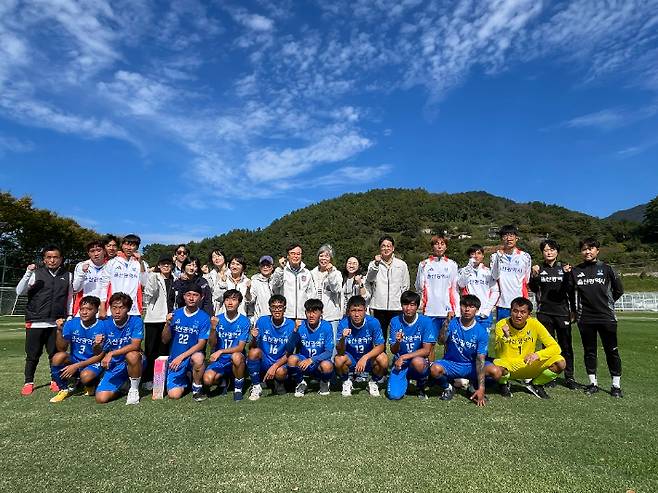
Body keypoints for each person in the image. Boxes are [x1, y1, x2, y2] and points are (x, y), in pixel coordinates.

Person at [16, 244, 73, 396]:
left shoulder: (68, 275)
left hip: (56, 321)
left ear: (61, 259)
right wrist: (28, 272)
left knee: (54, 353)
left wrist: (69, 316)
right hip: (35, 321)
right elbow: (19, 291)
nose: (52, 260)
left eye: (55, 257)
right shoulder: (36, 273)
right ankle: (28, 382)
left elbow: (69, 298)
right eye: (49, 257)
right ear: (44, 259)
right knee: (32, 355)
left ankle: (55, 380)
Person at [570, 237, 624, 397]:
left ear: (597, 251)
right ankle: (592, 383)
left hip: (606, 317)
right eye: (584, 249)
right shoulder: (576, 271)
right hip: (585, 318)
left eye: (591, 248)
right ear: (581, 252)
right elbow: (570, 293)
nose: (587, 251)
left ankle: (616, 386)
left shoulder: (607, 269)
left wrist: (608, 304)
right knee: (590, 351)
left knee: (612, 351)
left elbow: (619, 290)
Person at [488, 297, 566, 399]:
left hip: (528, 364)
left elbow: (556, 348)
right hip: (508, 366)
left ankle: (536, 384)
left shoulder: (535, 324)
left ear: (529, 315)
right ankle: (503, 384)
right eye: (515, 311)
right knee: (497, 365)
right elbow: (499, 351)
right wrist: (506, 337)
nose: (518, 315)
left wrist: (537, 355)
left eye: (523, 312)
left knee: (560, 362)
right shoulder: (502, 324)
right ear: (510, 312)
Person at [429, 295, 496, 406]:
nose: (467, 309)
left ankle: (473, 387)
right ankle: (448, 387)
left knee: (496, 372)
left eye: (471, 306)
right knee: (434, 369)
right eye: (464, 306)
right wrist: (446, 323)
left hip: (471, 366)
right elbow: (441, 341)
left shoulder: (481, 331)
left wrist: (481, 387)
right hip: (452, 363)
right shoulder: (452, 323)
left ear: (477, 310)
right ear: (460, 307)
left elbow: (480, 359)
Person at [528, 239, 577, 389]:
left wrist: (573, 310)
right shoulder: (539, 268)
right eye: (546, 250)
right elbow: (534, 288)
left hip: (562, 312)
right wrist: (534, 275)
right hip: (544, 313)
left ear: (557, 252)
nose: (549, 252)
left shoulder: (565, 268)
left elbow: (570, 289)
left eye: (552, 249)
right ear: (542, 253)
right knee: (547, 347)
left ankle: (569, 377)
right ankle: (549, 375)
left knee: (566, 345)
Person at [49, 296, 106, 403]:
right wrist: (59, 331)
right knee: (57, 357)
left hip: (92, 362)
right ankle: (63, 389)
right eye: (82, 309)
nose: (84, 312)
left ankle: (91, 383)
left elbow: (99, 356)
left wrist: (76, 366)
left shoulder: (103, 326)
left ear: (96, 310)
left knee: (86, 376)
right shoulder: (72, 323)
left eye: (89, 309)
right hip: (75, 359)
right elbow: (62, 348)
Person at [161, 284, 210, 401]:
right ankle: (188, 379)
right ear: (184, 297)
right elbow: (164, 340)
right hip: (175, 359)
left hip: (191, 357)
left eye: (195, 295)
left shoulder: (204, 317)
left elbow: (201, 344)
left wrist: (182, 357)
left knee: (198, 358)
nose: (191, 298)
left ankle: (197, 387)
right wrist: (167, 325)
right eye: (188, 295)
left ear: (201, 297)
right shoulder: (175, 314)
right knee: (174, 395)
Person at [95, 292, 144, 405]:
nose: (117, 312)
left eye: (121, 308)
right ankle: (123, 386)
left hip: (135, 361)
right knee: (101, 398)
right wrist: (97, 345)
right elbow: (97, 352)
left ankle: (134, 389)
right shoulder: (104, 324)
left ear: (128, 309)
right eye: (114, 308)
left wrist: (111, 353)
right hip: (114, 365)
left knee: (132, 355)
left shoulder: (136, 321)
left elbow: (135, 345)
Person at [335, 295, 388, 397]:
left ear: (365, 310)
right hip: (351, 359)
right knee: (338, 360)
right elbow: (340, 352)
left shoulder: (373, 322)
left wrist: (365, 357)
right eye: (353, 310)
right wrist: (342, 338)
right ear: (348, 311)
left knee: (383, 359)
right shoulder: (343, 323)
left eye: (360, 310)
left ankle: (373, 382)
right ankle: (346, 381)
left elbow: (381, 346)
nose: (356, 314)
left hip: (367, 359)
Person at [387, 291, 436, 401]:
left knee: (418, 362)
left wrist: (404, 356)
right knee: (394, 396)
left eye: (412, 305)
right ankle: (405, 379)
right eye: (405, 304)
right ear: (401, 305)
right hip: (401, 363)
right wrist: (398, 342)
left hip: (416, 361)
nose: (408, 308)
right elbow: (393, 350)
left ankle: (421, 384)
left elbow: (427, 350)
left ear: (417, 306)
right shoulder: (395, 321)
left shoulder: (426, 321)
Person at [246, 294, 296, 400]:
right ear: (270, 309)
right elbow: (252, 347)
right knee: (253, 352)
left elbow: (290, 353)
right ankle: (256, 385)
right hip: (265, 360)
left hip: (281, 361)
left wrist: (275, 366)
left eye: (280, 307)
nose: (277, 310)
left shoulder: (291, 325)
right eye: (274, 307)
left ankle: (277, 382)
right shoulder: (262, 321)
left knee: (280, 372)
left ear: (284, 308)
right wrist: (254, 338)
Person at [204, 289, 250, 401]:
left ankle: (238, 388)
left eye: (234, 300)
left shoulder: (244, 321)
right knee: (207, 380)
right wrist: (213, 328)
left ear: (239, 303)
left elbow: (240, 347)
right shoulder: (217, 319)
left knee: (237, 356)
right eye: (227, 299)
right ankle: (223, 380)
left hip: (235, 359)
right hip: (220, 360)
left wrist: (220, 351)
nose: (230, 302)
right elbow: (211, 344)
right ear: (224, 302)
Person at [287, 298, 335, 397]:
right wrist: (295, 331)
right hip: (303, 362)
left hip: (318, 363)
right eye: (308, 312)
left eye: (315, 312)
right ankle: (301, 383)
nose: (311, 315)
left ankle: (324, 382)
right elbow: (289, 348)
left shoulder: (327, 326)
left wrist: (312, 360)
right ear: (305, 313)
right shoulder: (301, 326)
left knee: (327, 365)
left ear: (321, 313)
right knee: (291, 359)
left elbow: (329, 352)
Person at [366, 235, 410, 341]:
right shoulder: (373, 264)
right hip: (379, 306)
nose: (386, 248)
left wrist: (402, 301)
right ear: (380, 248)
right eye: (383, 246)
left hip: (397, 307)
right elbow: (369, 279)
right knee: (380, 337)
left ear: (393, 248)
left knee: (397, 336)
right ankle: (381, 357)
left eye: (388, 246)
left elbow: (406, 285)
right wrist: (376, 264)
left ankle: (398, 357)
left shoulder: (401, 264)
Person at [415, 234, 459, 334]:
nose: (439, 246)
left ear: (446, 247)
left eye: (442, 244)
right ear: (432, 247)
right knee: (429, 345)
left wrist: (456, 310)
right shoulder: (424, 264)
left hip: (447, 311)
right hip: (430, 311)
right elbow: (419, 287)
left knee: (449, 343)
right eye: (436, 244)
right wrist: (421, 270)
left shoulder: (452, 264)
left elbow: (454, 289)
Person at [142, 256, 175, 390]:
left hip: (169, 318)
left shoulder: (175, 280)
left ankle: (161, 379)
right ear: (159, 266)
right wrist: (154, 281)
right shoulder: (153, 277)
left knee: (165, 349)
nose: (166, 266)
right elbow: (148, 295)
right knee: (151, 350)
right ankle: (148, 378)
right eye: (163, 264)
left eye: (168, 264)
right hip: (154, 318)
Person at [99, 234, 149, 318]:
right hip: (114, 309)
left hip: (134, 310)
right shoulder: (112, 263)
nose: (129, 248)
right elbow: (104, 286)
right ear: (122, 246)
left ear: (137, 248)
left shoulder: (140, 264)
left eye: (133, 245)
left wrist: (140, 263)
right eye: (126, 244)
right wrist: (102, 307)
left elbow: (144, 283)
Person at [490, 225, 531, 321]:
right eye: (505, 236)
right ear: (501, 239)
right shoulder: (495, 256)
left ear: (517, 238)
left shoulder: (525, 257)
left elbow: (527, 279)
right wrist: (498, 259)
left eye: (511, 235)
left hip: (521, 304)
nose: (508, 239)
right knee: (502, 334)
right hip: (502, 304)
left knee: (520, 335)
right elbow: (495, 276)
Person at [457, 244, 499, 331]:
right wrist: (468, 268)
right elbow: (461, 284)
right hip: (468, 313)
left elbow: (495, 291)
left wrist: (487, 310)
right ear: (469, 256)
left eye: (478, 253)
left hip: (484, 314)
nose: (476, 256)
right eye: (473, 254)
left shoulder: (488, 272)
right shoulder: (462, 271)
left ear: (483, 256)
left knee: (483, 342)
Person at [271, 243, 315, 324]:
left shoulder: (307, 272)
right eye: (293, 253)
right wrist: (281, 268)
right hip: (286, 315)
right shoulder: (281, 271)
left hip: (303, 316)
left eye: (298, 254)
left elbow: (311, 293)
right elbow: (275, 287)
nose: (296, 256)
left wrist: (310, 311)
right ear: (288, 256)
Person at [310, 244, 343, 339]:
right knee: (317, 343)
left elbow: (336, 290)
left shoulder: (336, 273)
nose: (323, 258)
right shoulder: (312, 273)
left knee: (332, 345)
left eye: (327, 256)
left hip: (331, 316)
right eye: (321, 256)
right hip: (315, 316)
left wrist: (330, 274)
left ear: (331, 259)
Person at [72, 240, 106, 316]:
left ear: (104, 251)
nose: (96, 254)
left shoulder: (110, 266)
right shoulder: (81, 265)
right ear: (88, 253)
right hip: (84, 310)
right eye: (92, 251)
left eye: (99, 250)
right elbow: (75, 289)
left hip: (103, 310)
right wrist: (82, 273)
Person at [245, 255, 274, 323]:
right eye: (263, 265)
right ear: (259, 267)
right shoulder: (254, 281)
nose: (265, 267)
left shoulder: (276, 281)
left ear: (272, 267)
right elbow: (249, 300)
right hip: (260, 318)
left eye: (268, 265)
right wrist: (248, 289)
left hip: (277, 319)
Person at [203, 248, 228, 313]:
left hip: (227, 309)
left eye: (219, 255)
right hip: (215, 309)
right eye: (214, 257)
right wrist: (206, 274)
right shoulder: (212, 273)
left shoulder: (231, 272)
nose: (216, 258)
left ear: (224, 257)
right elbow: (209, 291)